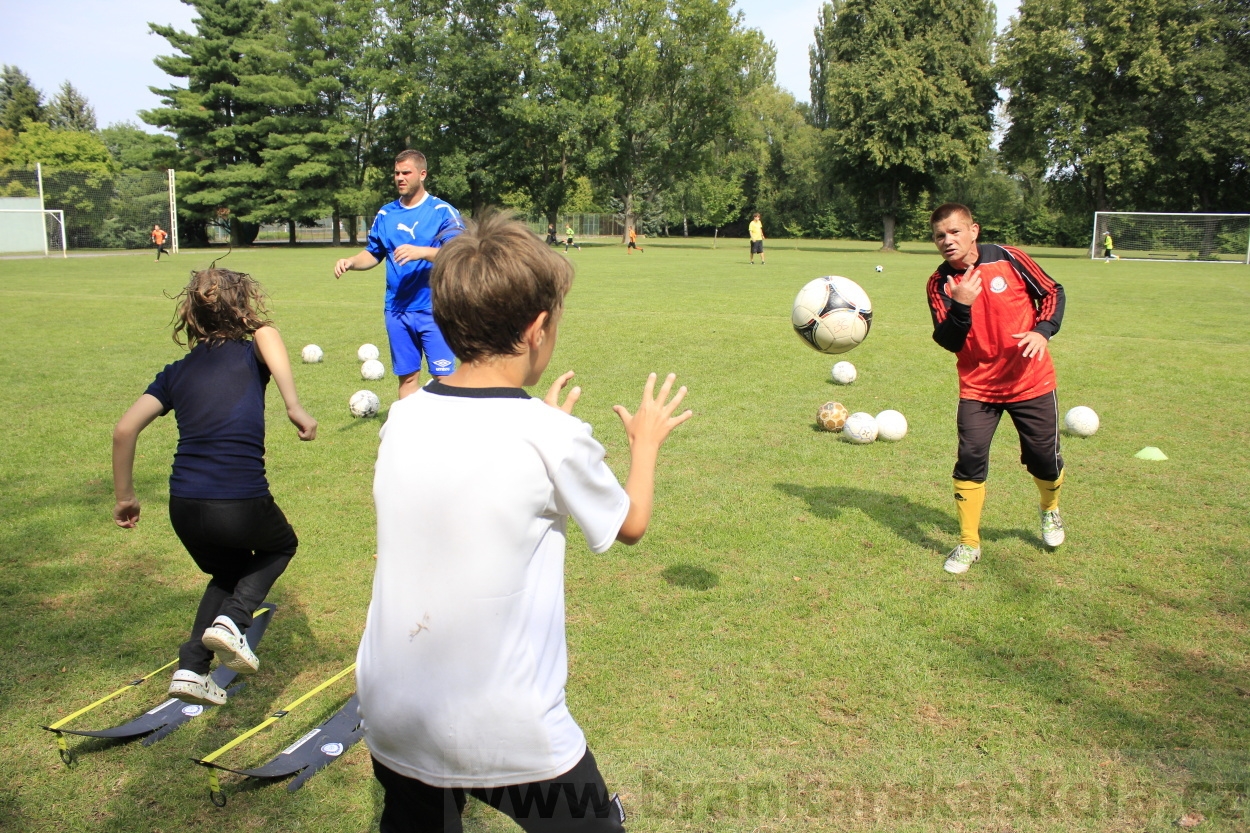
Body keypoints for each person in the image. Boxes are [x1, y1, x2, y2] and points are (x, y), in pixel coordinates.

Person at [356, 211, 692, 832]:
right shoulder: (550, 435)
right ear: (539, 329)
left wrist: (541, 424)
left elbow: (475, 465)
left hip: (390, 711)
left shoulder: (402, 417)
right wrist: (644, 443)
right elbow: (632, 522)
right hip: (504, 726)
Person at [111, 267, 317, 705]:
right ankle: (233, 621)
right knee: (281, 545)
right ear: (243, 308)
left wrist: (126, 497)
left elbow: (124, 430)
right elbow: (268, 334)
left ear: (192, 316)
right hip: (238, 499)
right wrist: (293, 405)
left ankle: (191, 667)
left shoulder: (175, 372)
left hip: (184, 506)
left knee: (228, 571)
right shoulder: (253, 348)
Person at [926, 203, 1067, 575]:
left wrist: (1043, 330)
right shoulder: (940, 283)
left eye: (955, 232)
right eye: (940, 235)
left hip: (1030, 380)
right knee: (969, 459)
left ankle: (1049, 508)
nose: (947, 241)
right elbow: (949, 340)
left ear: (974, 230)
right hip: (978, 387)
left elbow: (1053, 292)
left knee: (1044, 462)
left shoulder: (1009, 258)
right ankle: (969, 542)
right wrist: (962, 306)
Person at [334, 150, 464, 399]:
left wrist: (422, 252)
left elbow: (459, 254)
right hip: (396, 310)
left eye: (406, 173)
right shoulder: (386, 214)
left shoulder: (441, 211)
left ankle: (449, 434)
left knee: (445, 378)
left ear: (422, 174)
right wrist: (351, 261)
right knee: (407, 378)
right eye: (396, 173)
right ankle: (408, 434)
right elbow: (373, 253)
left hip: (435, 309)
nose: (400, 178)